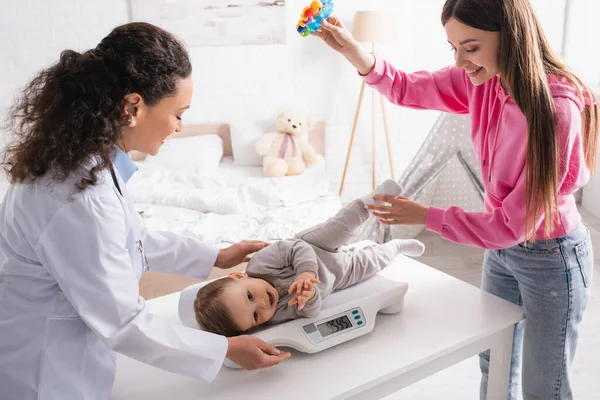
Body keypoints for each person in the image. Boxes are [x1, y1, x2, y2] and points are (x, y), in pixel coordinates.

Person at [313, 0, 598, 399]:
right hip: (501, 253)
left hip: (551, 259)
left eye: (471, 46)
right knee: (495, 362)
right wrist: (350, 48)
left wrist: (424, 215)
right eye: (454, 48)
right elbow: (406, 87)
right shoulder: (485, 79)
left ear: (510, 36)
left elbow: (511, 225)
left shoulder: (553, 110)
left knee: (543, 385)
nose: (461, 61)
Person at [0, 22, 290, 400]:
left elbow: (129, 239)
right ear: (133, 106)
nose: (178, 127)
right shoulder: (77, 197)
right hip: (45, 375)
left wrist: (215, 255)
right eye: (178, 113)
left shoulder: (87, 164)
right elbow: (122, 321)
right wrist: (224, 350)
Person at [194, 179, 425, 336]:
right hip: (338, 276)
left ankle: (372, 200)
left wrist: (306, 272)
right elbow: (310, 312)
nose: (262, 304)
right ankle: (397, 247)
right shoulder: (276, 315)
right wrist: (310, 296)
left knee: (341, 227)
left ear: (237, 276)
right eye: (255, 316)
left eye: (250, 295)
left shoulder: (260, 264)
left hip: (315, 246)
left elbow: (297, 248)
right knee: (373, 262)